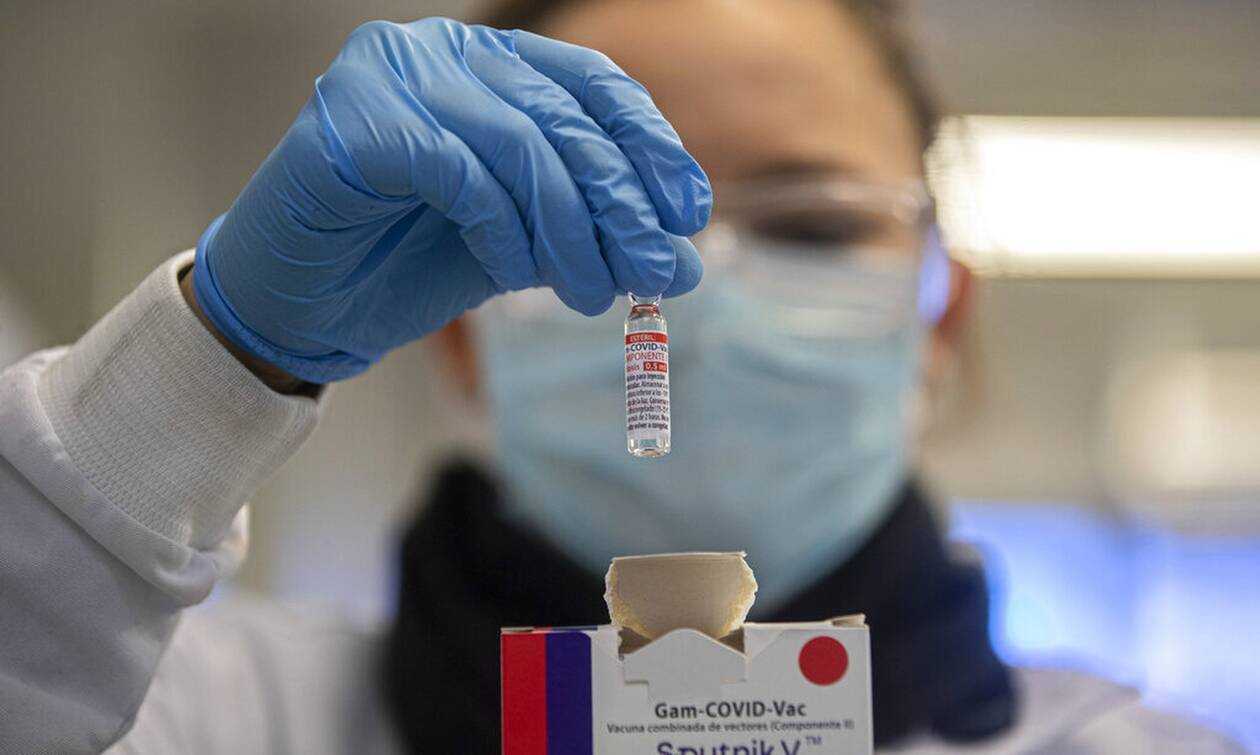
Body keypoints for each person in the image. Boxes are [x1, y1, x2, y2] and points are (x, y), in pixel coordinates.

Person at [0, 1, 1242, 753]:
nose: (694, 296)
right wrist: (208, 361)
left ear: (939, 320)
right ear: (464, 332)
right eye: (587, 231)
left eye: (812, 226)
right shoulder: (205, 717)